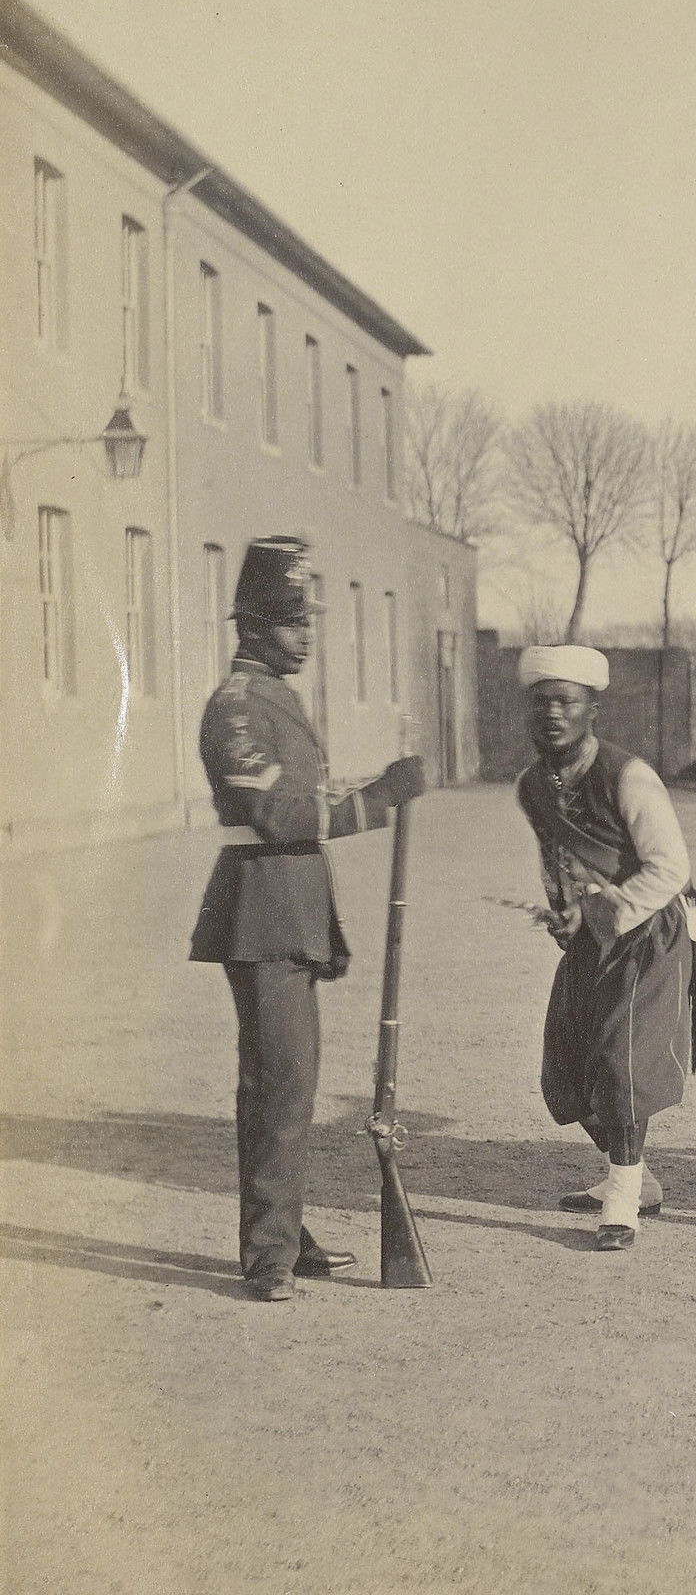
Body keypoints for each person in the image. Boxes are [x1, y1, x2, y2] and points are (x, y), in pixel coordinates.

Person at [189, 536, 425, 1302]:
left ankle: (285, 1230)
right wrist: (383, 797)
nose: (306, 634)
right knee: (276, 1088)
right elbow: (279, 813)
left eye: (307, 619)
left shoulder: (277, 699)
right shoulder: (236, 709)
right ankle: (267, 1258)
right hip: (258, 912)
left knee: (290, 1086)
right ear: (252, 625)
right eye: (292, 621)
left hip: (288, 911)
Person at [515, 645, 696, 1251]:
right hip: (593, 934)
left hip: (652, 932)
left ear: (592, 710)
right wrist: (561, 910)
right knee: (569, 1068)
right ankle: (638, 1179)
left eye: (567, 702)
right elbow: (555, 857)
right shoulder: (532, 784)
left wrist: (601, 911)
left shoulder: (628, 775)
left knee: (620, 1062)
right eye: (542, 701)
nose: (553, 713)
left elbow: (670, 868)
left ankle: (624, 1206)